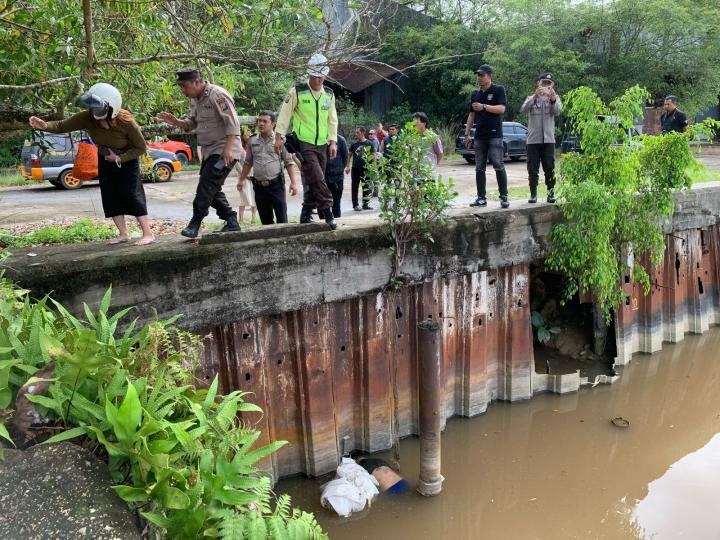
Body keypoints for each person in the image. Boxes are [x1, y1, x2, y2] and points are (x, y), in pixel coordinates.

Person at [29, 83, 155, 246]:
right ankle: (124, 234)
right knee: (110, 195)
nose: (95, 112)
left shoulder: (126, 122)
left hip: (127, 160)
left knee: (131, 194)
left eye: (100, 108)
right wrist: (45, 125)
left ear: (112, 108)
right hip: (104, 158)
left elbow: (141, 147)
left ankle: (148, 233)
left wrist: (119, 158)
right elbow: (62, 125)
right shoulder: (87, 117)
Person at [156, 67, 243, 238]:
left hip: (225, 149)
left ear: (196, 82)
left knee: (206, 186)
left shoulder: (217, 95)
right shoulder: (195, 99)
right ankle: (232, 221)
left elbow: (233, 123)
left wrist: (227, 149)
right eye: (180, 87)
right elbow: (191, 124)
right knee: (211, 187)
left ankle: (195, 223)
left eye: (184, 86)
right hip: (210, 150)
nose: (182, 90)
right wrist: (176, 122)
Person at [275, 53, 338, 230]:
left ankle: (305, 213)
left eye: (321, 76)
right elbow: (284, 114)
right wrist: (279, 136)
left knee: (313, 179)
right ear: (309, 74)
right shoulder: (297, 91)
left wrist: (333, 141)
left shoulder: (329, 94)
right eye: (315, 75)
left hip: (322, 144)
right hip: (304, 143)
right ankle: (328, 212)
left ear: (325, 75)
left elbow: (332, 119)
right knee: (318, 179)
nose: (318, 79)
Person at [236, 111, 299, 225]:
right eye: (259, 121)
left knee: (282, 221)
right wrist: (241, 180)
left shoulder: (280, 140)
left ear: (273, 124)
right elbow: (248, 162)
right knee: (266, 222)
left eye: (265, 121)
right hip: (259, 187)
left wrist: (294, 183)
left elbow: (289, 162)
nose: (261, 124)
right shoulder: (252, 140)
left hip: (276, 186)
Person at [465, 64, 510, 209]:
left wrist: (484, 106)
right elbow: (471, 115)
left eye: (482, 75)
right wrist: (467, 134)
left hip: (494, 134)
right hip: (479, 136)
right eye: (478, 75)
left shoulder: (498, 90)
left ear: (489, 76)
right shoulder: (475, 94)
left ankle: (503, 197)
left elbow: (501, 109)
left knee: (498, 164)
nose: (479, 78)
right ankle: (481, 198)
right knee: (479, 167)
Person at [520, 72, 562, 204]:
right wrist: (535, 96)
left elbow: (557, 111)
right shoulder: (531, 97)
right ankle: (533, 194)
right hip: (533, 140)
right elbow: (523, 109)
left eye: (549, 83)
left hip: (548, 140)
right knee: (532, 169)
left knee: (549, 168)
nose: (546, 85)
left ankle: (551, 193)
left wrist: (553, 99)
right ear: (539, 83)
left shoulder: (555, 98)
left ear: (552, 85)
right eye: (544, 82)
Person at [347, 127, 376, 211]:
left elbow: (373, 155)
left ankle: (365, 204)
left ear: (363, 133)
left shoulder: (369, 143)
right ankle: (355, 205)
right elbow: (349, 155)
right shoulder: (353, 144)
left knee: (366, 186)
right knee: (354, 186)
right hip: (355, 168)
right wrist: (348, 166)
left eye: (357, 132)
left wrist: (373, 167)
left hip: (366, 168)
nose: (356, 134)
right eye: (355, 132)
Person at [325, 132, 349, 218]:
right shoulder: (321, 139)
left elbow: (345, 157)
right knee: (323, 204)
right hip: (323, 178)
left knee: (336, 203)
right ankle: (323, 225)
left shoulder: (341, 140)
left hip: (337, 177)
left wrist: (339, 169)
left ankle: (337, 222)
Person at [236, 126, 257, 223]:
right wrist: (244, 175)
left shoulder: (252, 145)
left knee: (254, 197)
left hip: (254, 175)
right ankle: (241, 219)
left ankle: (253, 218)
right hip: (243, 177)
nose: (249, 135)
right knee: (243, 198)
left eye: (250, 133)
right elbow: (236, 163)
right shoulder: (239, 148)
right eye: (247, 133)